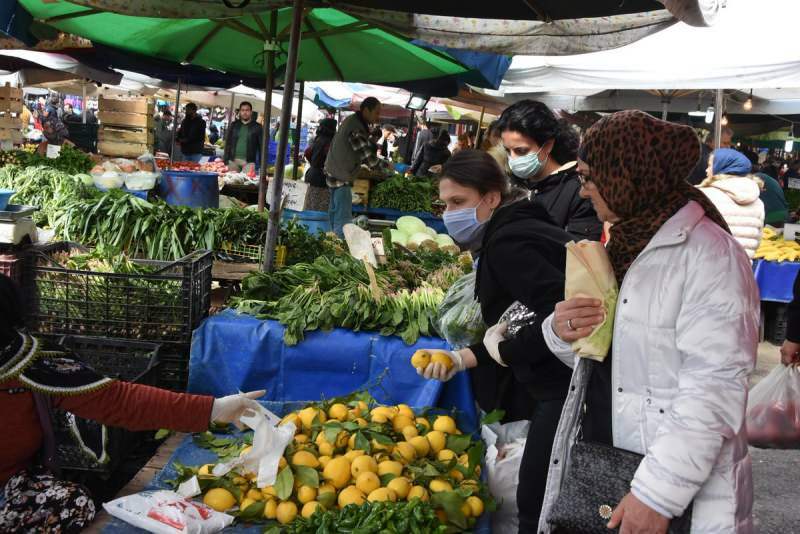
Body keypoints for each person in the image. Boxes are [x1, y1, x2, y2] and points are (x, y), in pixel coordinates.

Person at [538, 110, 759, 534]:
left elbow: (714, 387)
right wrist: (561, 331)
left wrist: (656, 494)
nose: (584, 193)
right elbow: (615, 360)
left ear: (629, 174)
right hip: (608, 455)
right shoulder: (620, 242)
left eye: (590, 177)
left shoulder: (710, 255)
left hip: (671, 480)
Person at [0, 275, 268, 532]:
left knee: (73, 503)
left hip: (13, 486)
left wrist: (213, 409)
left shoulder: (29, 365)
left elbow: (117, 400)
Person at [417, 149, 573, 531]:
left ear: (490, 198)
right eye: (444, 204)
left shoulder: (509, 244)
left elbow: (562, 316)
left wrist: (504, 351)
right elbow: (515, 320)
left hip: (553, 391)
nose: (449, 214)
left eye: (458, 202)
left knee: (532, 508)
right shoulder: (523, 225)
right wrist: (462, 359)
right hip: (555, 387)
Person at [496, 100, 602, 241]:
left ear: (548, 146)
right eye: (508, 151)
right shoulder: (509, 186)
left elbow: (579, 253)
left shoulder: (579, 192)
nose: (513, 159)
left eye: (521, 151)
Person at [324, 97, 391, 236]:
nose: (378, 117)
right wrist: (388, 167)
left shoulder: (353, 121)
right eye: (377, 112)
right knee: (343, 219)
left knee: (334, 213)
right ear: (366, 110)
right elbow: (369, 159)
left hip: (334, 172)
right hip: (340, 176)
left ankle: (331, 241)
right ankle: (338, 248)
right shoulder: (355, 127)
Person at [698, 148, 765, 259]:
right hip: (743, 268)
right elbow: (757, 241)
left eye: (710, 165)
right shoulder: (758, 202)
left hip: (710, 266)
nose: (706, 170)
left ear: (721, 167)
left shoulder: (705, 195)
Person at [304, 118, 337, 212]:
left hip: (311, 174)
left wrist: (314, 164)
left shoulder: (316, 140)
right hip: (322, 178)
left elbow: (307, 153)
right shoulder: (330, 143)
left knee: (310, 205)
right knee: (321, 207)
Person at [222, 102, 263, 171]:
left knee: (247, 181)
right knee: (231, 181)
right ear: (240, 112)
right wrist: (226, 160)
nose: (245, 112)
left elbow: (261, 147)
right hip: (233, 161)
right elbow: (228, 143)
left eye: (247, 110)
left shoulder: (257, 127)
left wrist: (261, 165)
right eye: (243, 110)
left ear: (251, 112)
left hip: (249, 162)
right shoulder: (234, 125)